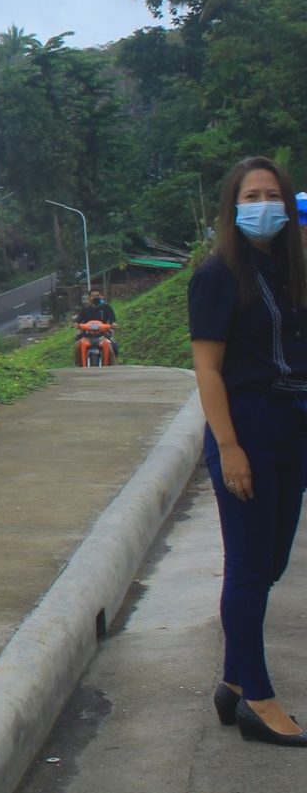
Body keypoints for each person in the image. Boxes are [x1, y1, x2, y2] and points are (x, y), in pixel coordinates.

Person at [189, 156, 307, 746]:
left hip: (294, 425)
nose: (263, 203)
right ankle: (258, 700)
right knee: (248, 568)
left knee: (273, 563)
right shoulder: (217, 275)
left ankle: (232, 683)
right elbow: (208, 369)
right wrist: (229, 447)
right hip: (247, 427)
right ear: (233, 207)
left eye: (272, 193)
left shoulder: (293, 271)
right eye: (251, 194)